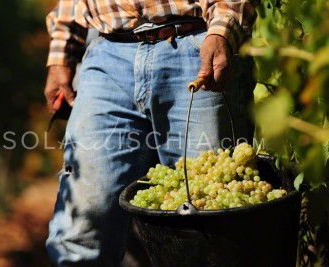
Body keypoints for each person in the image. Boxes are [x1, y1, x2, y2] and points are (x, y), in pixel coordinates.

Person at [44, 0, 260, 266]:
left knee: (207, 229)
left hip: (198, 44)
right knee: (80, 233)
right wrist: (61, 53)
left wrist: (223, 30)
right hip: (107, 56)